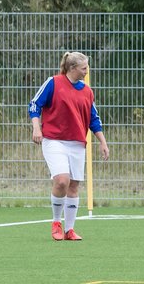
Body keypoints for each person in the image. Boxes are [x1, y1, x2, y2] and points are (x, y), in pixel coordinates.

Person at [29, 51, 111, 241]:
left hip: (77, 143)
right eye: (84, 68)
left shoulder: (87, 91)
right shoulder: (53, 83)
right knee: (62, 181)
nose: (86, 71)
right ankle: (56, 222)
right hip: (54, 140)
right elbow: (34, 104)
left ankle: (70, 229)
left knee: (74, 185)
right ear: (72, 68)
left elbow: (93, 119)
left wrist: (102, 141)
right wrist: (36, 128)